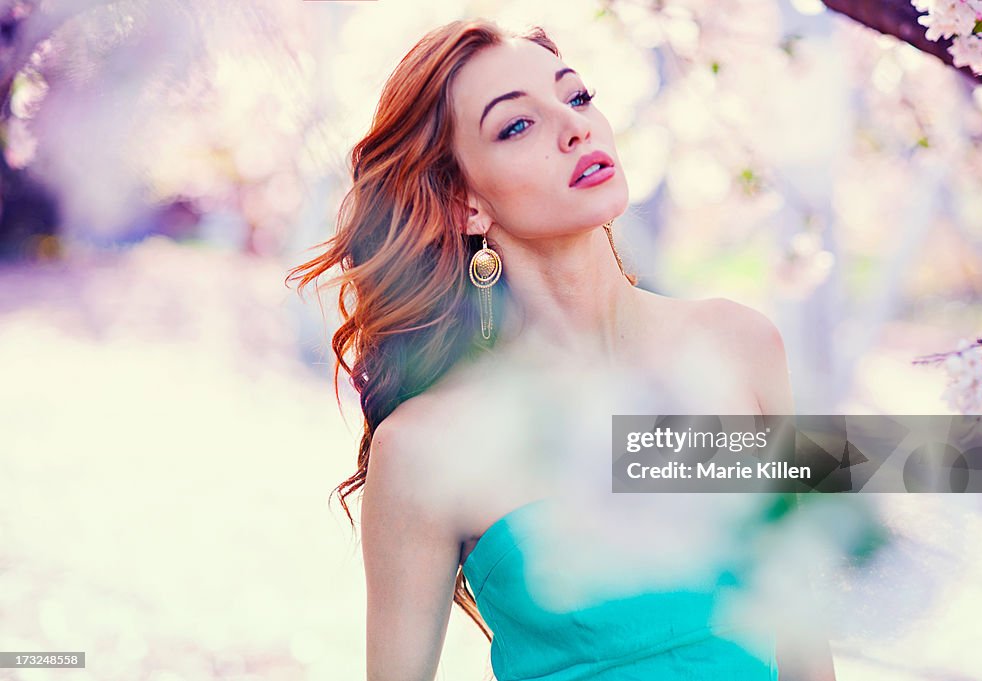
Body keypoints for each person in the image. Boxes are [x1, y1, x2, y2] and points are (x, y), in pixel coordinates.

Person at [288, 18, 835, 681]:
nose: (576, 128)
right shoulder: (426, 445)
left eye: (576, 97)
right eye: (516, 126)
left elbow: (802, 637)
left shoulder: (740, 345)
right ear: (466, 204)